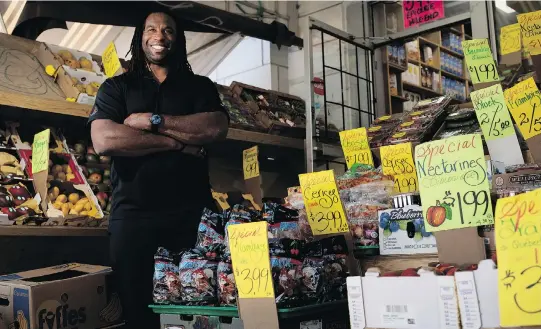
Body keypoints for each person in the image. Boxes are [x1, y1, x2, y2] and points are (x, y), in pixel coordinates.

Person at [88, 11, 229, 329]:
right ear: (140, 38)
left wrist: (153, 121)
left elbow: (216, 127)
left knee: (196, 309)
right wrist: (176, 143)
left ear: (177, 40)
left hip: (192, 217)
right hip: (133, 217)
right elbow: (105, 139)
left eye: (168, 30)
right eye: (151, 29)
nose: (159, 36)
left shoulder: (199, 86)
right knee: (137, 311)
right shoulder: (117, 87)